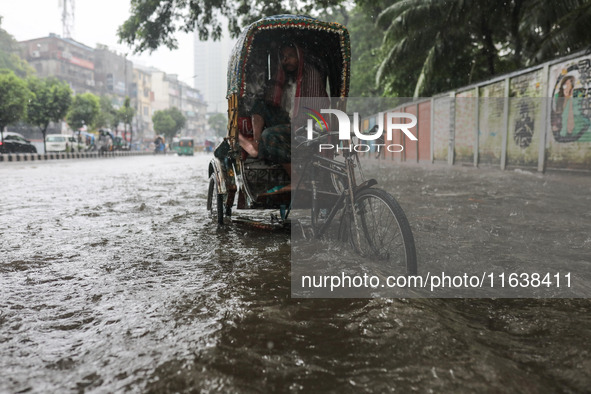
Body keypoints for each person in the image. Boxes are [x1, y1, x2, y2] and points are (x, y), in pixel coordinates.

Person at [238, 42, 329, 192]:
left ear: (300, 57)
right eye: (284, 57)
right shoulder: (283, 77)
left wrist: (296, 125)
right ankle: (256, 142)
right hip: (289, 122)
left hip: (307, 126)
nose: (286, 61)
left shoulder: (311, 75)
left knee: (269, 135)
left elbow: (313, 112)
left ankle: (297, 180)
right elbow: (272, 100)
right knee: (259, 104)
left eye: (291, 56)